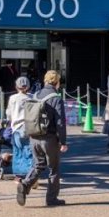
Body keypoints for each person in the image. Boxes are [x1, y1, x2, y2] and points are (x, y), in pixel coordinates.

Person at [17, 70, 68, 207]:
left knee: (38, 165)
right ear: (57, 82)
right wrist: (63, 141)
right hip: (49, 138)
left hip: (34, 136)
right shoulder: (56, 98)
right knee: (54, 169)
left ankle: (25, 184)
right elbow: (60, 123)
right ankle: (51, 199)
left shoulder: (36, 94)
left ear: (45, 81)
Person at [5, 76, 34, 179]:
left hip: (16, 128)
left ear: (16, 87)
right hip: (30, 128)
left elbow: (8, 114)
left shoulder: (13, 98)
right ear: (29, 86)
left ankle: (18, 176)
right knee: (29, 152)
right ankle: (30, 175)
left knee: (18, 151)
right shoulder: (33, 97)